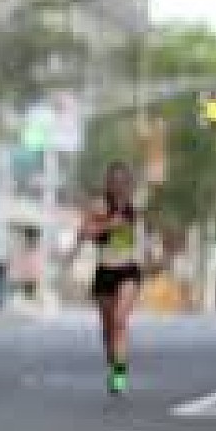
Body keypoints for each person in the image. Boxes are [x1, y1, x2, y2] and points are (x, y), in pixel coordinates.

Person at [75, 162, 144, 394]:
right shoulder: (99, 206)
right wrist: (108, 226)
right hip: (105, 271)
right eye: (114, 181)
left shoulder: (135, 205)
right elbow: (84, 232)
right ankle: (115, 366)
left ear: (129, 183)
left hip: (129, 270)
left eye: (123, 181)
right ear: (108, 183)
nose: (119, 185)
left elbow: (142, 236)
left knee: (119, 321)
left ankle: (119, 378)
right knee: (107, 330)